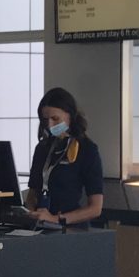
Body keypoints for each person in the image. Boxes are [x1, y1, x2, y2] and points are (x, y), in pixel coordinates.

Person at [26, 87, 104, 227]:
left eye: (55, 119)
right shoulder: (42, 148)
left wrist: (56, 219)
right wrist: (30, 213)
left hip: (70, 228)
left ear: (70, 116)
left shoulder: (87, 150)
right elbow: (32, 193)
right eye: (45, 120)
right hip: (41, 224)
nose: (50, 125)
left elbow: (95, 208)